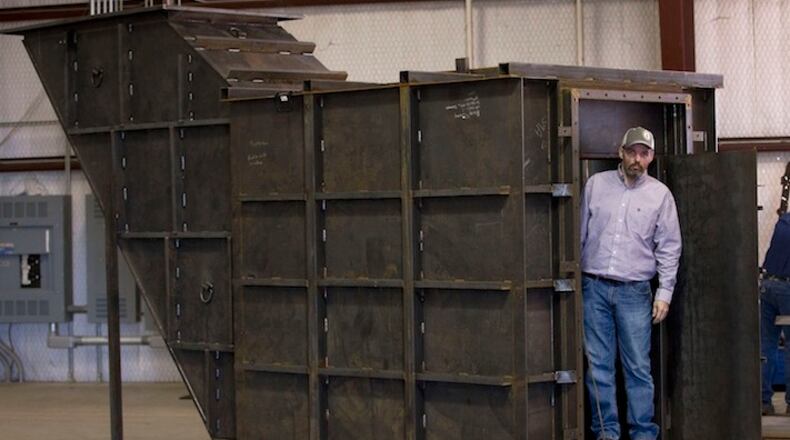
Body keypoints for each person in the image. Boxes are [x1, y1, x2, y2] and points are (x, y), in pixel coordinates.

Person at [580, 126, 682, 440]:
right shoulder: (595, 185)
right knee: (598, 366)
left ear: (651, 157)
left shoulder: (660, 195)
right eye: (632, 152)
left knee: (637, 366)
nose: (637, 159)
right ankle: (606, 432)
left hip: (636, 292)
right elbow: (580, 233)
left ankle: (643, 433)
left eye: (644, 153)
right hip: (594, 287)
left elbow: (669, 246)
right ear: (620, 152)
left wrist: (664, 292)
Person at [760, 212, 790, 415]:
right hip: (787, 288)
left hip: (767, 285)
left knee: (766, 346)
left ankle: (763, 401)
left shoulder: (783, 221)